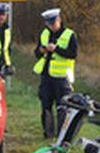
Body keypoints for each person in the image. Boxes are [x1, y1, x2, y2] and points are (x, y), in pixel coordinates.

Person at [33, 8, 78, 138]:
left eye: (53, 23)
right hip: (46, 75)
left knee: (62, 107)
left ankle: (62, 135)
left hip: (62, 77)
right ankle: (48, 133)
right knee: (45, 104)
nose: (51, 26)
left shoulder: (69, 35)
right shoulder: (44, 34)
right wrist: (42, 51)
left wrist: (56, 49)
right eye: (48, 24)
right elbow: (36, 53)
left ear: (59, 20)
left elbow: (73, 54)